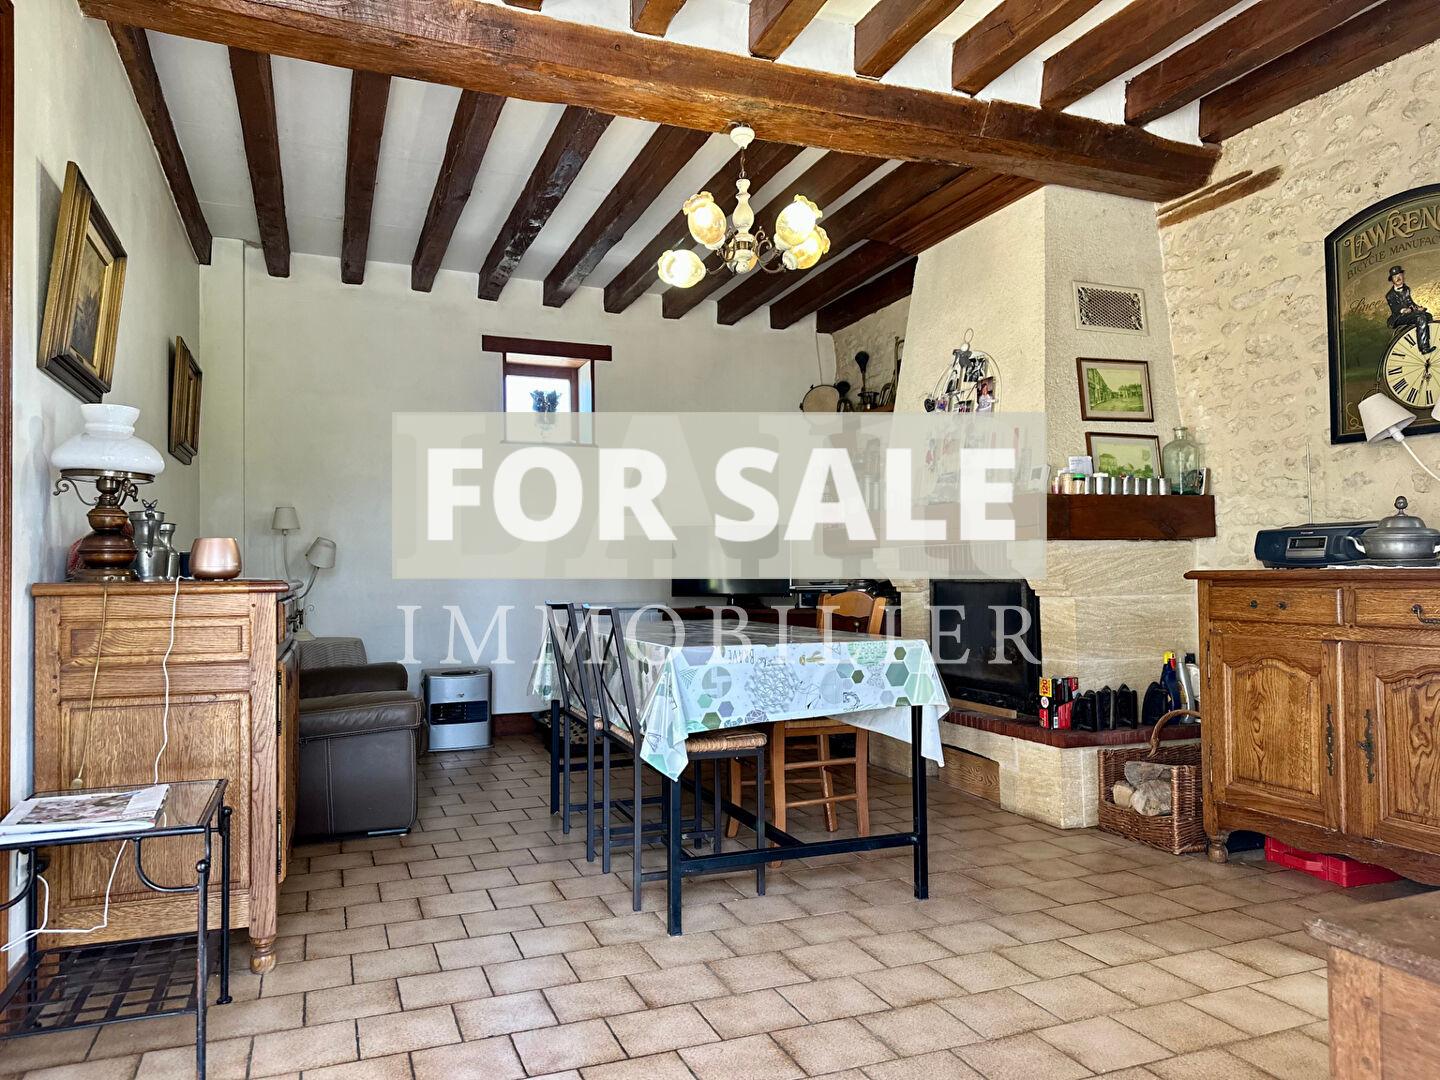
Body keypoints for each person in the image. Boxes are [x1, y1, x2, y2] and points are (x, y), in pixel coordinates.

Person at [1386, 265, 1435, 354]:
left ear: (1403, 276)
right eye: (1395, 276)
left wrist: (1417, 307)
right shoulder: (1390, 295)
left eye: (1399, 275)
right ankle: (1424, 348)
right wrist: (1403, 310)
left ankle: (1427, 339)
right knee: (1421, 318)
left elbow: (1410, 302)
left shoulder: (1406, 289)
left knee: (1428, 315)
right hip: (1398, 317)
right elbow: (1395, 309)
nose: (1398, 278)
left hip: (1408, 314)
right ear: (1392, 280)